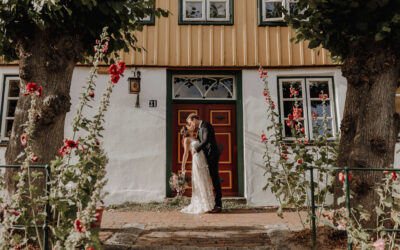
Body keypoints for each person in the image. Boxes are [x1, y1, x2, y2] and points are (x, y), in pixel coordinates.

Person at [186, 113, 222, 213]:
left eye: (190, 122)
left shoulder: (206, 125)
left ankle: (219, 205)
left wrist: (196, 149)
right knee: (208, 178)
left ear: (194, 119)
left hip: (212, 155)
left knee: (215, 178)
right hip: (206, 157)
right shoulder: (200, 128)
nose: (191, 125)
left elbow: (205, 140)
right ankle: (210, 203)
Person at [180, 125, 215, 214]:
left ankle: (208, 204)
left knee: (205, 179)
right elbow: (185, 153)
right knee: (200, 180)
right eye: (188, 126)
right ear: (186, 131)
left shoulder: (196, 136)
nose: (191, 126)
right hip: (197, 160)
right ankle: (202, 205)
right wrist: (183, 166)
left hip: (203, 159)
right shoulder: (187, 139)